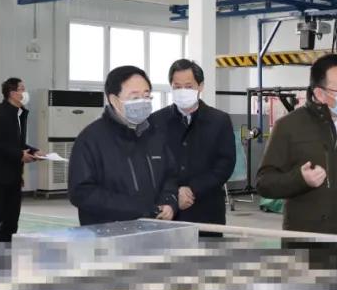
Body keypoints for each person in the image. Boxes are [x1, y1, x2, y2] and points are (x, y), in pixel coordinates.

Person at [255, 53, 337, 237]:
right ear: (320, 93)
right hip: (309, 241)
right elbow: (264, 182)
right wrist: (300, 180)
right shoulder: (289, 127)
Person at [68, 66, 177, 226]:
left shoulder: (155, 134)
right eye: (134, 97)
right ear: (113, 99)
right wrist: (137, 209)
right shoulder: (91, 139)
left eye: (146, 96)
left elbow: (170, 175)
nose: (142, 102)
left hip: (154, 228)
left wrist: (169, 201)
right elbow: (82, 192)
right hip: (108, 232)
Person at [150, 59, 236, 230]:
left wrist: (193, 189)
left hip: (207, 209)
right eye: (177, 87)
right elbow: (152, 164)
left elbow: (225, 164)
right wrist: (174, 192)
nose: (183, 91)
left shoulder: (219, 120)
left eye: (188, 86)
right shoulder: (156, 121)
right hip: (167, 210)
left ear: (200, 86)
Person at [0, 77, 40, 242]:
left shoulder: (20, 114)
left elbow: (17, 143)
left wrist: (34, 151)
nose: (25, 92)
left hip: (13, 176)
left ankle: (5, 250)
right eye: (22, 89)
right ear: (12, 93)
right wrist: (19, 155)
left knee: (11, 219)